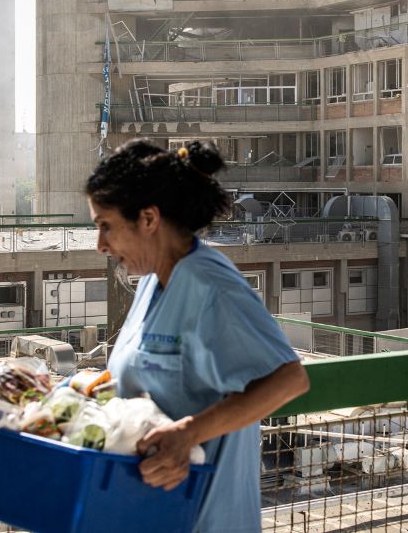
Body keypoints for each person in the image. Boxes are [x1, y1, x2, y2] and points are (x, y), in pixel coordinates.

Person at [86, 138, 310, 532]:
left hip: (208, 519)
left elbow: (288, 378)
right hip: (149, 514)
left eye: (106, 226)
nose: (101, 245)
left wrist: (188, 433)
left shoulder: (212, 286)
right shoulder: (149, 284)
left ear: (149, 219)